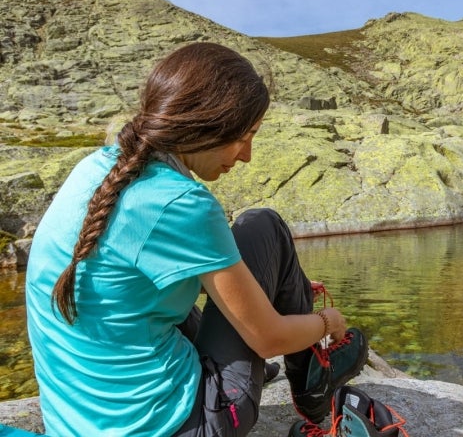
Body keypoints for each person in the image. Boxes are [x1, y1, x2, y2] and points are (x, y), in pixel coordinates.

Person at [25, 42, 368, 437]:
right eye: (245, 136)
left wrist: (257, 295)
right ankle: (314, 384)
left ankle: (306, 376)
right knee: (262, 226)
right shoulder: (182, 204)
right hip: (181, 426)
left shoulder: (95, 169)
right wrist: (327, 320)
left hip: (75, 425)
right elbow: (267, 337)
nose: (247, 156)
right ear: (209, 124)